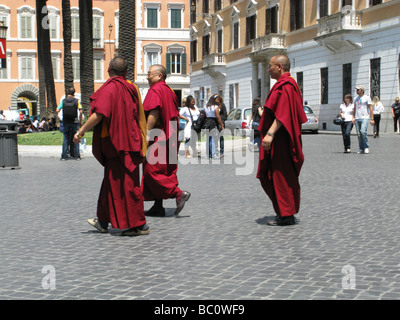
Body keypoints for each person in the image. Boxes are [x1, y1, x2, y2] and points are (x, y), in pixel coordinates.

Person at [73, 56, 149, 236]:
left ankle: (135, 225)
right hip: (130, 142)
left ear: (108, 70)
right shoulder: (131, 88)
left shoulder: (109, 89)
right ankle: (103, 220)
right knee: (114, 184)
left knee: (124, 186)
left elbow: (99, 114)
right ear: (127, 72)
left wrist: (81, 131)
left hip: (116, 146)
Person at [257, 54, 308, 226]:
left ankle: (287, 215)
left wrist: (270, 133)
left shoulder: (287, 85)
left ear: (279, 67)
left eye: (270, 66)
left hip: (281, 141)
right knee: (276, 174)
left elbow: (283, 114)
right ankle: (284, 212)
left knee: (281, 175)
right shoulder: (283, 84)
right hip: (278, 140)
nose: (268, 69)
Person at [142, 64, 191, 217]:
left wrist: (147, 134)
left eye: (149, 73)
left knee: (152, 171)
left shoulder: (156, 89)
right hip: (170, 135)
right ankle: (158, 205)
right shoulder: (169, 90)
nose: (147, 77)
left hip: (159, 136)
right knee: (164, 170)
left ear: (159, 76)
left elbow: (154, 112)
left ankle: (178, 194)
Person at [57, 87, 83, 160]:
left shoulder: (63, 101)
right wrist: (80, 121)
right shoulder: (76, 101)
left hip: (65, 121)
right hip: (74, 121)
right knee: (76, 137)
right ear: (74, 93)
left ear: (67, 92)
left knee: (65, 138)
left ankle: (64, 156)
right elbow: (80, 111)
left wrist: (61, 117)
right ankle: (77, 156)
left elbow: (57, 110)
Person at [352, 85, 374, 154]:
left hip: (364, 117)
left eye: (358, 90)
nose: (357, 91)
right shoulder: (356, 98)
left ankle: (366, 146)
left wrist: (372, 118)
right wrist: (353, 117)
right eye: (356, 90)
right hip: (357, 117)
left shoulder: (367, 98)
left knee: (363, 131)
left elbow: (370, 108)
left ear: (362, 90)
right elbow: (354, 108)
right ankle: (361, 147)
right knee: (359, 134)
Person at [204, 94, 225, 159]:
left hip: (207, 122)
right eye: (217, 99)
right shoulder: (215, 107)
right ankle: (213, 154)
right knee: (213, 139)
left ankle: (208, 154)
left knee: (208, 139)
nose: (218, 100)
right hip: (213, 122)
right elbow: (218, 117)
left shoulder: (206, 106)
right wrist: (222, 125)